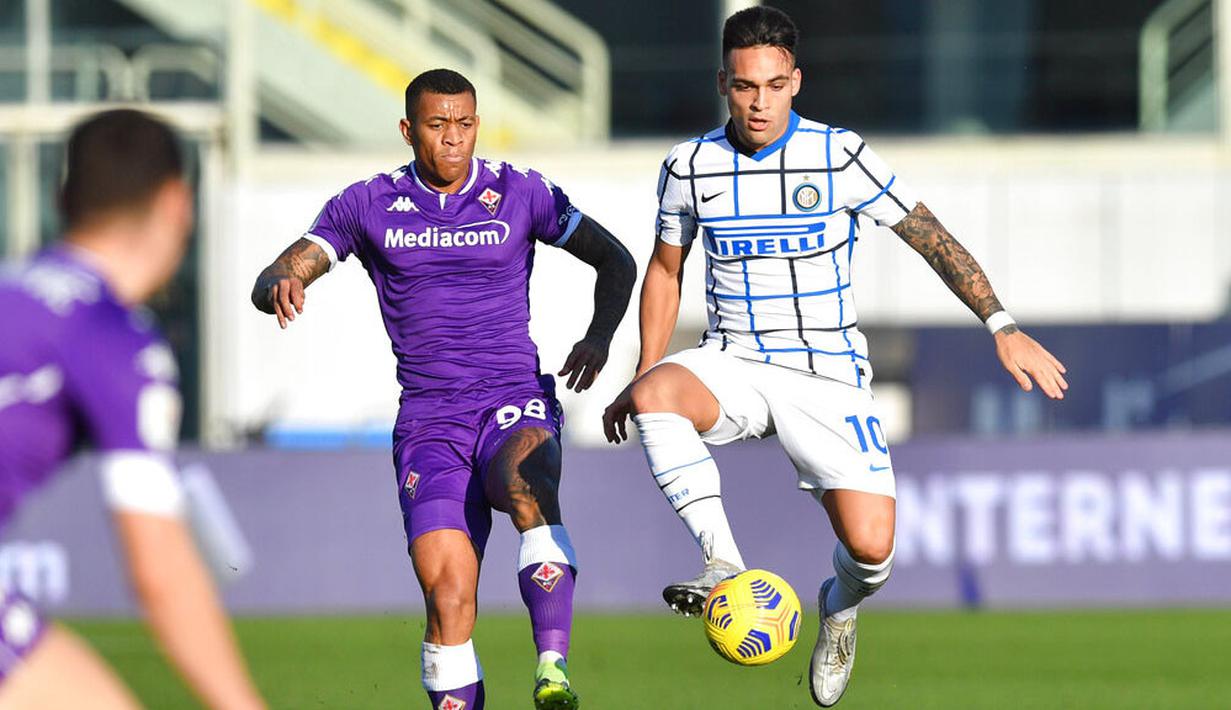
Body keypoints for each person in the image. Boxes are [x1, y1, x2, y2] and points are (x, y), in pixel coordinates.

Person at [601, 7, 1067, 707]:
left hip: (826, 374)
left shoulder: (839, 154)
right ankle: (722, 561)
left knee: (872, 552)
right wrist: (642, 371)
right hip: (732, 359)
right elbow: (665, 271)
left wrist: (1000, 324)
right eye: (744, 86)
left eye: (774, 85)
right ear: (721, 82)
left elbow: (928, 235)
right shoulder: (689, 165)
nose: (759, 102)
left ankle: (840, 610)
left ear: (796, 82)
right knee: (654, 397)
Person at [251, 68, 635, 710]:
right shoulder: (368, 204)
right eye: (436, 125)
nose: (453, 139)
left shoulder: (521, 192)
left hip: (512, 394)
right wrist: (277, 283)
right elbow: (288, 264)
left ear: (477, 125)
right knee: (448, 597)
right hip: (430, 422)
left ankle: (552, 668)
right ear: (408, 130)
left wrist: (599, 337)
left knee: (526, 486)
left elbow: (615, 259)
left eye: (464, 124)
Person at [0, 109, 266, 710]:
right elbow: (162, 571)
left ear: (61, 198)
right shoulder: (109, 334)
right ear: (178, 203)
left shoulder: (15, 289)